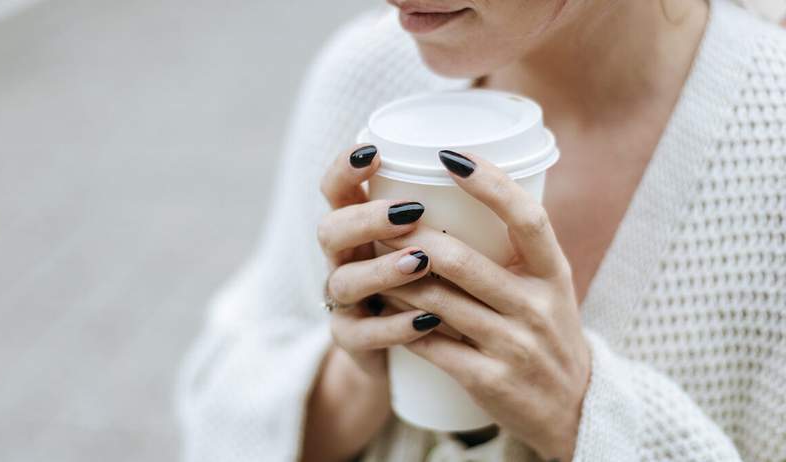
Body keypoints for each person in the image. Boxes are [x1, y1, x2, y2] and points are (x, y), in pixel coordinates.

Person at [176, 0, 786, 461]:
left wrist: (583, 413)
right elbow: (217, 407)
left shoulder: (767, 142)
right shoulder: (369, 75)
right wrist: (355, 375)